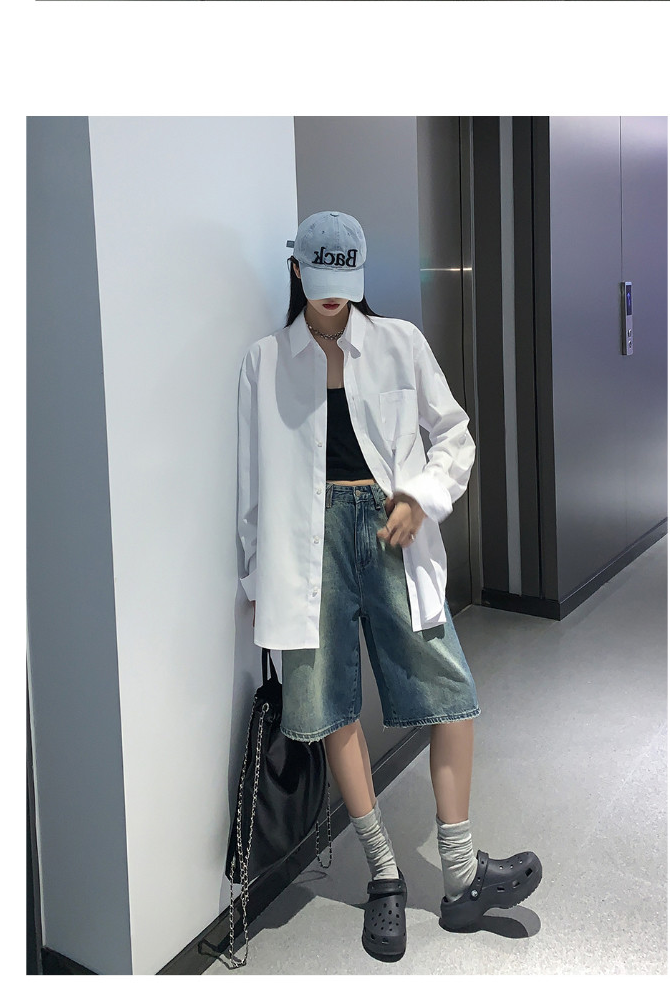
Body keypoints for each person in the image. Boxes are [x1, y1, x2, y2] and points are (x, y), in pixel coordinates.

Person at [236, 208, 542, 961]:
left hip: (390, 530)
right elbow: (251, 485)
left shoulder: (400, 343)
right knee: (330, 704)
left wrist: (421, 497)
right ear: (297, 270)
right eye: (319, 276)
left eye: (345, 279)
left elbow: (454, 437)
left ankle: (462, 876)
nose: (331, 294)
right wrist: (256, 574)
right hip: (305, 549)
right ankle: (383, 875)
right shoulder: (263, 363)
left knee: (449, 690)